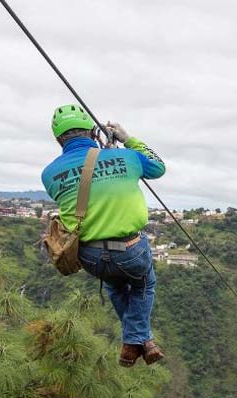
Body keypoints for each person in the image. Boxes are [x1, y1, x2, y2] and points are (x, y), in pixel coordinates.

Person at [41, 104, 166, 366]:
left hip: (91, 257)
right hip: (132, 249)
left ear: (58, 139)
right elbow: (158, 167)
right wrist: (126, 140)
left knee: (114, 284)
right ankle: (136, 340)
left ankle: (140, 343)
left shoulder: (49, 174)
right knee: (144, 284)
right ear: (92, 130)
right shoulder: (127, 158)